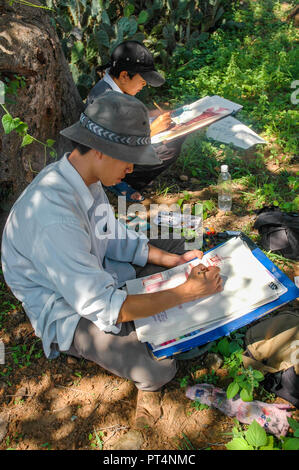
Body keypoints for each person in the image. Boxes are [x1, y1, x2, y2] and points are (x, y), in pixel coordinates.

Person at [1, 91, 222, 428]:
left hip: (97, 273)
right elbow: (104, 305)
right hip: (66, 306)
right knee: (155, 367)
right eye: (127, 160)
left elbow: (112, 232)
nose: (131, 169)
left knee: (177, 245)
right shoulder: (53, 216)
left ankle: (169, 294)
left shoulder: (85, 176)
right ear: (100, 152)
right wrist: (186, 293)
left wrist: (170, 260)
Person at [87, 40, 186, 202]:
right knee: (168, 147)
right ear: (124, 75)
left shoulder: (114, 87)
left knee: (176, 133)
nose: (144, 85)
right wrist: (152, 130)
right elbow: (110, 144)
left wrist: (150, 114)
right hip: (107, 160)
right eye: (142, 80)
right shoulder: (105, 99)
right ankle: (120, 182)